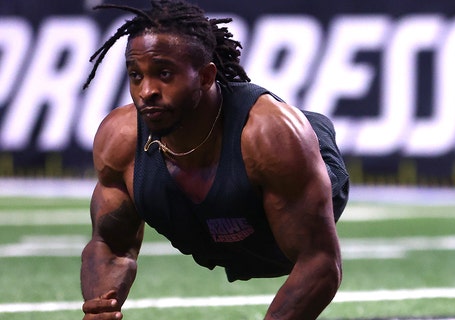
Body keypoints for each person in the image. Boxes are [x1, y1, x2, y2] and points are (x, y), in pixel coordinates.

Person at [79, 0, 349, 319]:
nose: (146, 91)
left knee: (284, 141)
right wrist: (101, 305)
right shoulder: (119, 140)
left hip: (297, 162)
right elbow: (110, 244)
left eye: (164, 74)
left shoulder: (270, 137)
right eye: (136, 75)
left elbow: (319, 263)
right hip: (208, 222)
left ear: (207, 76)